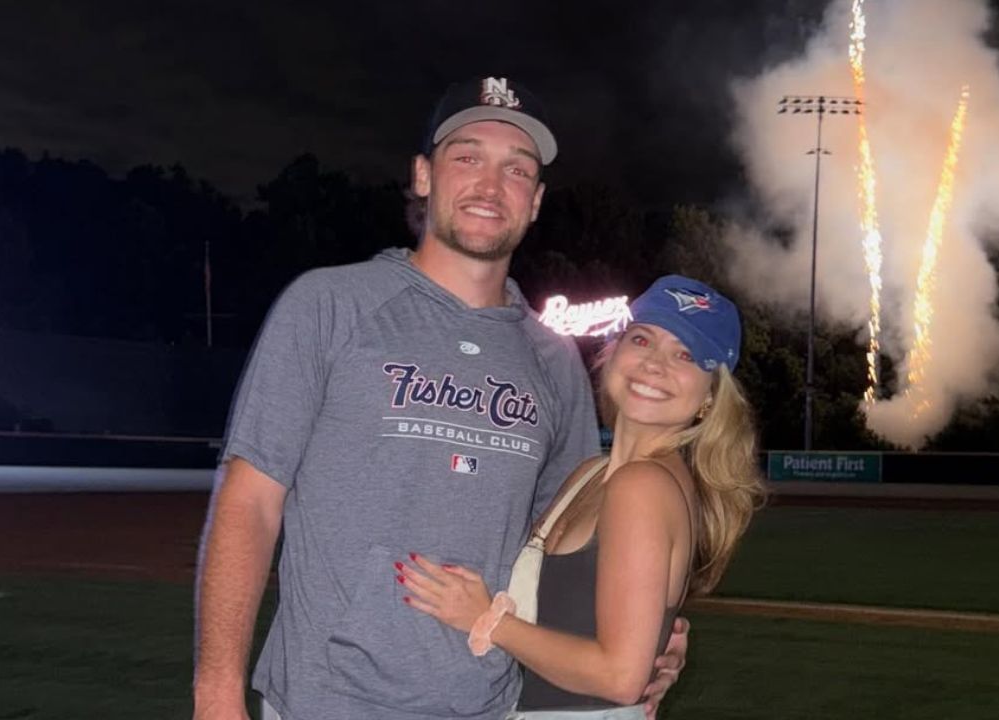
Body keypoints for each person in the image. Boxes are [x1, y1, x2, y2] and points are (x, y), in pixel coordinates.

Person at [193, 76, 687, 720]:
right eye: (468, 157)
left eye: (516, 169)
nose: (490, 184)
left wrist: (652, 633)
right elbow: (249, 502)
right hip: (327, 700)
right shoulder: (328, 306)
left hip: (486, 705)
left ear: (535, 201)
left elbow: (564, 548)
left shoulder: (553, 361)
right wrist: (216, 693)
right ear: (423, 176)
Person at [398, 275, 765, 718]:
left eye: (685, 355)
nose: (654, 364)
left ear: (709, 398)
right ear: (613, 352)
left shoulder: (642, 487)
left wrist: (486, 620)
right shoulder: (591, 475)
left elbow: (620, 677)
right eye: (642, 339)